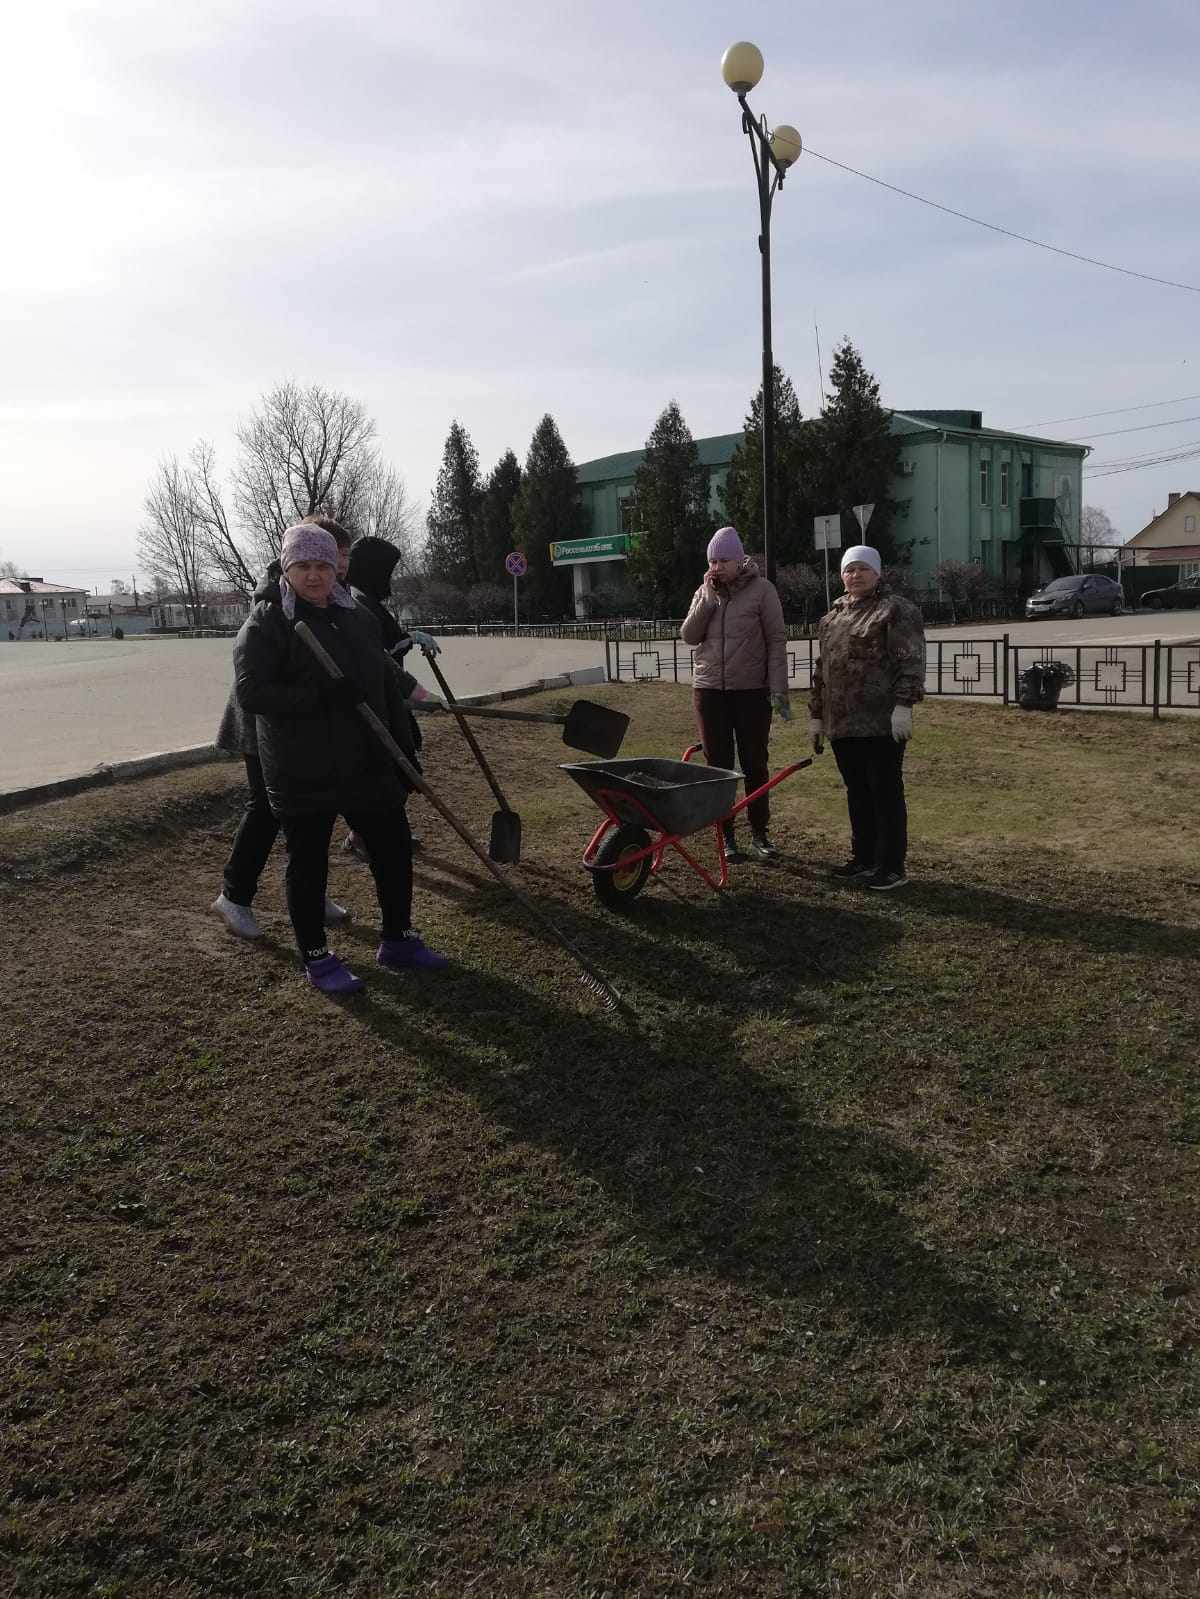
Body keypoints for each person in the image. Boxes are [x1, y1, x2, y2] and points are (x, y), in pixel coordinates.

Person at [233, 523, 448, 993]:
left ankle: (398, 938)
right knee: (308, 863)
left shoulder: (355, 615)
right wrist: (321, 696)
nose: (314, 576)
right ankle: (317, 956)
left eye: (323, 566)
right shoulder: (268, 621)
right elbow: (251, 692)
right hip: (301, 765)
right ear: (287, 568)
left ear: (336, 568)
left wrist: (409, 698)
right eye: (303, 566)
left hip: (363, 756)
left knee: (392, 846)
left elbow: (381, 668)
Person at [210, 513, 357, 938]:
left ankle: (312, 891)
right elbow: (258, 684)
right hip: (262, 723)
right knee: (265, 809)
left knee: (315, 810)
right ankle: (234, 895)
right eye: (337, 555)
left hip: (308, 720)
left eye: (340, 558)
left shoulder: (333, 592)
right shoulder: (273, 599)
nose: (340, 565)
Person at [809, 544, 926, 891]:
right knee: (857, 791)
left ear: (876, 573)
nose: (855, 575)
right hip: (843, 724)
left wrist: (904, 705)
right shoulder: (831, 618)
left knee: (884, 790)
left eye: (862, 569)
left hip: (881, 721)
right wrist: (817, 716)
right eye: (849, 570)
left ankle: (891, 865)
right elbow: (822, 670)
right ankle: (863, 857)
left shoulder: (895, 610)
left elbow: (910, 660)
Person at [680, 525, 791, 862]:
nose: (717, 567)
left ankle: (760, 833)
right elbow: (689, 635)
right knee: (718, 766)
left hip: (751, 692)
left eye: (724, 560)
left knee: (754, 762)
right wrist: (708, 600)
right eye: (712, 560)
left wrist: (779, 692)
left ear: (740, 560)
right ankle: (726, 835)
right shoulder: (705, 592)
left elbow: (776, 640)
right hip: (709, 691)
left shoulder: (762, 591)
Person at [342, 536, 443, 859]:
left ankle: (387, 831)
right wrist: (409, 642)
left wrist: (411, 638)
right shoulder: (357, 602)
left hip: (391, 701)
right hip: (377, 703)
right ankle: (361, 835)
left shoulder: (365, 599)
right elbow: (380, 651)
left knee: (399, 764)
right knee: (385, 769)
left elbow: (390, 642)